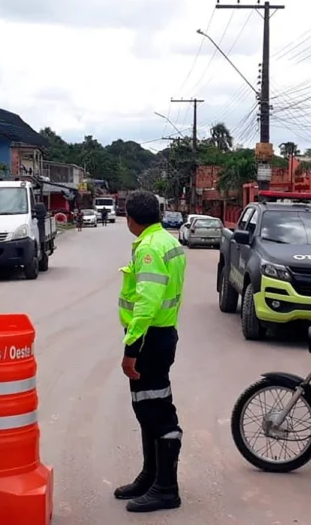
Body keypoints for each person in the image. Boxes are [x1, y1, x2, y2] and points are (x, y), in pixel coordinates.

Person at [114, 190, 187, 514]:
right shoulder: (167, 241)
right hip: (161, 335)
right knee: (148, 408)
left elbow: (146, 303)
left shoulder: (149, 249)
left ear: (131, 219)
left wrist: (131, 348)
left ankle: (166, 489)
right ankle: (151, 475)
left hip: (150, 339)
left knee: (156, 411)